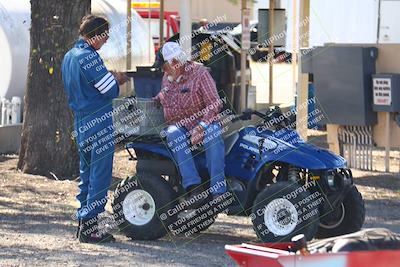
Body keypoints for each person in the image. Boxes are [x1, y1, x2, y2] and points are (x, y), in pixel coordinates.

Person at [62, 15, 128, 243]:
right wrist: (116, 78)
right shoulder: (89, 57)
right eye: (105, 36)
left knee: (86, 174)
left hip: (80, 122)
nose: (107, 41)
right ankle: (91, 229)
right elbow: (110, 90)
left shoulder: (69, 56)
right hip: (98, 122)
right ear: (97, 35)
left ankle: (83, 224)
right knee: (100, 176)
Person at [154, 42, 227, 209]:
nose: (163, 71)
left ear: (174, 63)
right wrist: (156, 99)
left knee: (213, 136)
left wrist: (201, 127)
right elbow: (164, 95)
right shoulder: (167, 78)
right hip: (180, 125)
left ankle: (219, 192)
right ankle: (194, 187)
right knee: (173, 133)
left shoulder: (200, 74)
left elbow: (214, 104)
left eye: (164, 66)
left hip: (203, 122)